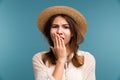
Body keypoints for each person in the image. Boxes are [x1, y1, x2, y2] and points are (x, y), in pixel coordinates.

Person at [32, 6, 96, 80]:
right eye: (55, 26)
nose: (59, 31)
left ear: (72, 33)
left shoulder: (87, 58)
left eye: (65, 27)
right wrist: (61, 60)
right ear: (49, 32)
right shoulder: (39, 58)